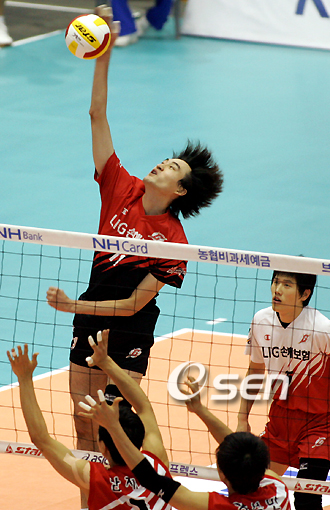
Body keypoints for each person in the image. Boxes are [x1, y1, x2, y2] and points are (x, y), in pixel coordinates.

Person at [46, 2, 223, 486]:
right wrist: (103, 51)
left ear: (180, 190)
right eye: (166, 160)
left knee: (119, 429)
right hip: (89, 314)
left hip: (128, 329)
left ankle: (133, 498)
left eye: (172, 168)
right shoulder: (119, 187)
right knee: (83, 424)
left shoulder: (174, 241)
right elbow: (96, 114)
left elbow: (131, 306)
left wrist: (73, 306)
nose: (162, 164)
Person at [78, 333, 292, 510]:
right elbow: (239, 447)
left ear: (222, 475)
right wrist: (200, 410)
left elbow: (150, 478)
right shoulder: (278, 489)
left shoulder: (216, 505)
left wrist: (113, 426)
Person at [236, 270, 330, 510]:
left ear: (305, 294)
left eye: (286, 285)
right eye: (275, 282)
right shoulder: (261, 320)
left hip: (320, 423)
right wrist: (242, 418)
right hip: (281, 419)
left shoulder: (323, 329)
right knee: (253, 487)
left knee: (306, 498)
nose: (277, 290)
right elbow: (255, 370)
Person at [6, 332, 171, 510]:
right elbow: (143, 406)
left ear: (102, 447)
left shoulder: (96, 480)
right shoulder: (157, 463)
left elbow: (41, 438)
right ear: (140, 437)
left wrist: (24, 378)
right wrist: (106, 362)